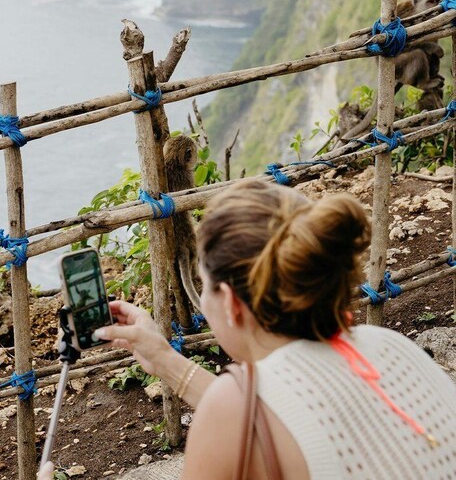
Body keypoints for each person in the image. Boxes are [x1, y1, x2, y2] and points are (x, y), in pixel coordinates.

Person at [39, 179, 456, 479]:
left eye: (203, 285)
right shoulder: (388, 346)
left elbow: (252, 418)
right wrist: (164, 359)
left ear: (233, 305)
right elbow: (278, 416)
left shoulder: (234, 410)